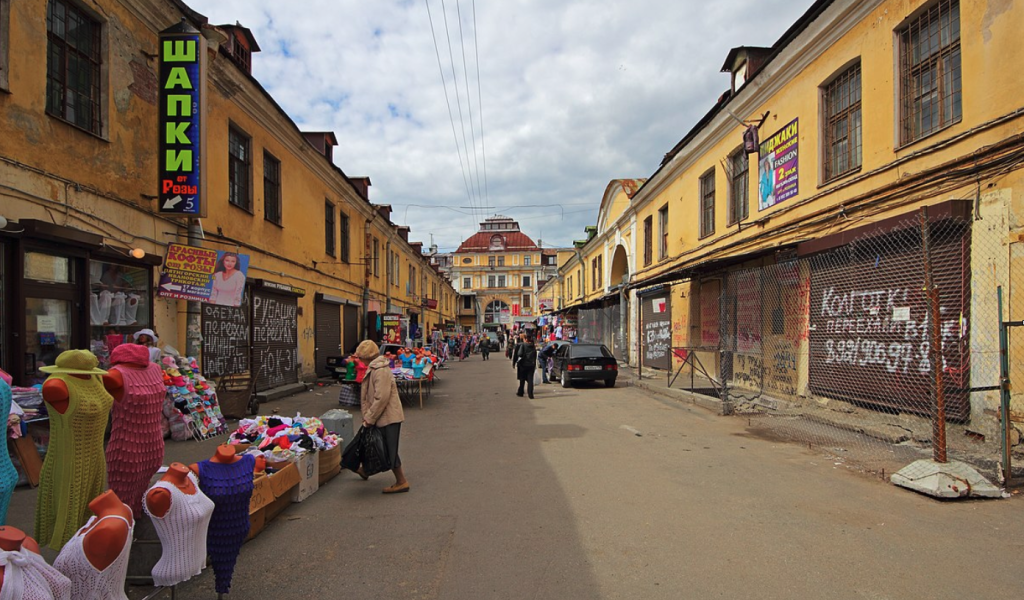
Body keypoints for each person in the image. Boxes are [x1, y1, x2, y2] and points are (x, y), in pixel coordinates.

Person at [355, 340, 409, 494]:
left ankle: (401, 481)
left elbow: (382, 398)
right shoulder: (375, 368)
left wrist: (369, 418)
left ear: (366, 357)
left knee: (389, 449)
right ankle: (366, 470)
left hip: (388, 416)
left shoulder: (380, 370)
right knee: (377, 445)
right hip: (382, 415)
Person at [513, 333, 537, 399]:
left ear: (526, 339)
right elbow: (535, 355)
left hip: (523, 365)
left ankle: (520, 392)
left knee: (522, 379)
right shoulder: (533, 346)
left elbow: (519, 354)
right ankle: (531, 395)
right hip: (531, 365)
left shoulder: (523, 345)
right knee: (530, 380)